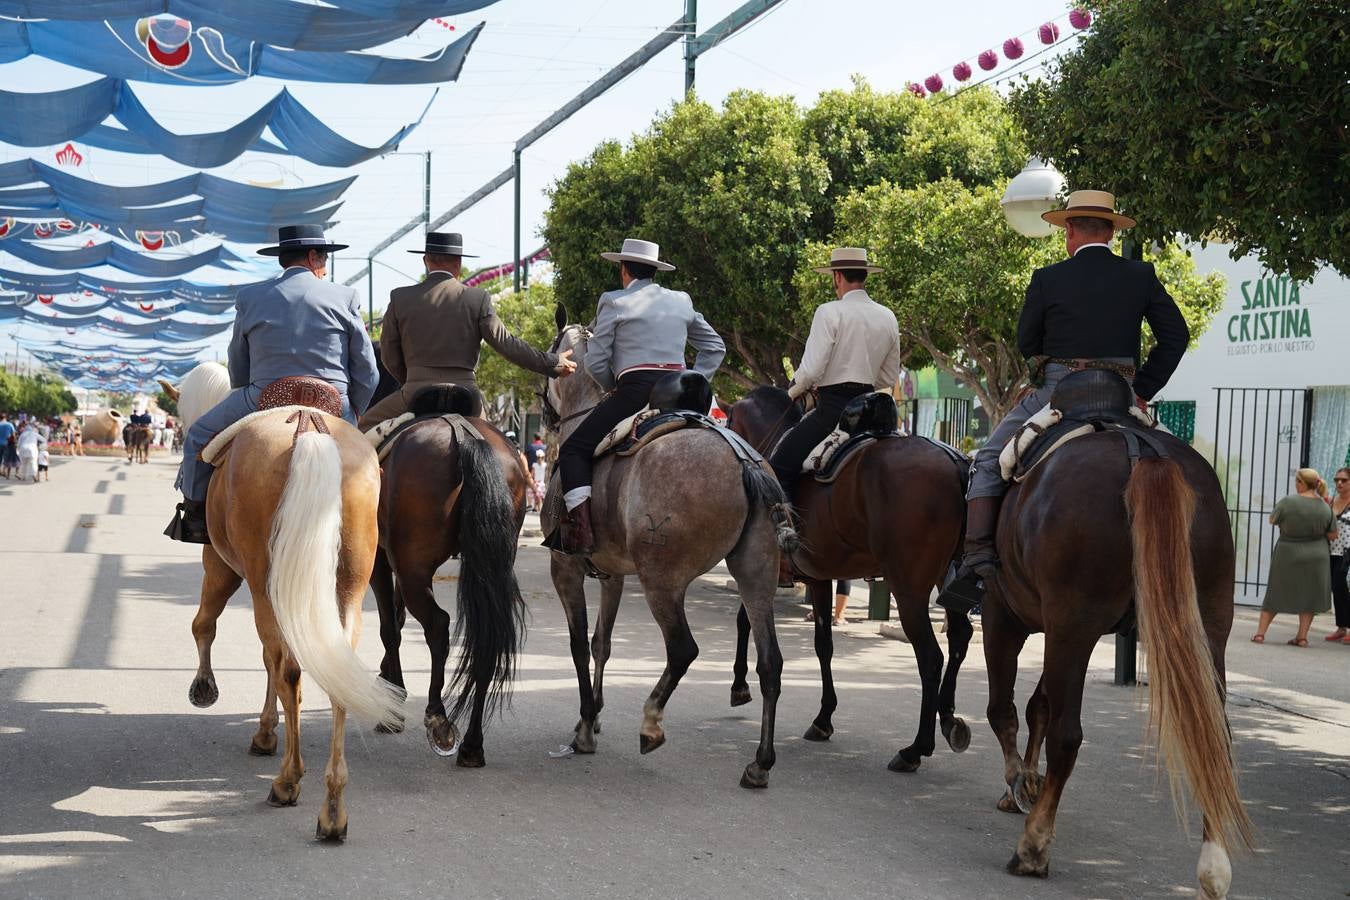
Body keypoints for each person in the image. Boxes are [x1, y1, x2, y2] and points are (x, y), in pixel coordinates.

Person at [937, 190, 1190, 614]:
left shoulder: (1047, 278)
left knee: (988, 459)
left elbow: (1027, 341)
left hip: (1058, 392)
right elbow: (1175, 336)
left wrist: (1041, 373)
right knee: (1178, 463)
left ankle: (978, 556)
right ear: (1110, 230)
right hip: (1121, 391)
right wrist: (1142, 388)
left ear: (1069, 231)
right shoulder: (1141, 275)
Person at [166, 224, 378, 544]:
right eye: (323, 259)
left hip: (264, 397)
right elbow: (367, 370)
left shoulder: (250, 296)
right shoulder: (345, 296)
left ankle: (195, 518)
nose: (324, 267)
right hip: (333, 402)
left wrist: (249, 386)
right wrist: (353, 410)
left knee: (196, 436)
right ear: (312, 256)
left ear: (283, 258)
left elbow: (238, 364)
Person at [556, 238, 726, 554]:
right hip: (680, 394)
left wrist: (612, 388)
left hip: (635, 393)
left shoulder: (613, 301)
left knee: (573, 450)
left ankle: (581, 533)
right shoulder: (681, 301)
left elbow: (594, 360)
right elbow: (715, 347)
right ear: (654, 270)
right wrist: (694, 379)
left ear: (624, 270)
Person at [357, 232, 576, 430]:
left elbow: (388, 354)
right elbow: (507, 343)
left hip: (415, 391)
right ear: (459, 264)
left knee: (363, 426)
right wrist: (552, 363)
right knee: (498, 449)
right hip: (467, 395)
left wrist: (410, 381)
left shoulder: (400, 298)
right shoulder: (477, 298)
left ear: (426, 261)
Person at [769, 247, 901, 503]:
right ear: (864, 276)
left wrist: (793, 392)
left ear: (837, 276)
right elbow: (888, 376)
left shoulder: (828, 311)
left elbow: (811, 370)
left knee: (778, 467)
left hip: (833, 411)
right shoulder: (888, 316)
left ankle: (784, 531)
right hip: (873, 413)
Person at [1252, 468, 1337, 647]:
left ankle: (1260, 634)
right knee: (1309, 596)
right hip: (1317, 554)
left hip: (1288, 551)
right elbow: (1332, 534)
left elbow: (1272, 520)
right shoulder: (1324, 506)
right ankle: (1302, 637)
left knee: (1276, 592)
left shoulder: (1288, 502)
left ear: (1300, 483)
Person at [1324, 467, 1350, 643]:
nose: (1339, 483)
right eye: (1336, 480)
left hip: (1348, 551)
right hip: (1332, 550)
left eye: (1343, 480)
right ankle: (1341, 627)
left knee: (1342, 585)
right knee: (1336, 587)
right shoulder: (1332, 501)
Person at [530, 448, 548, 513]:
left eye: (540, 457)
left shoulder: (545, 465)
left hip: (541, 483)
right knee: (538, 495)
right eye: (538, 457)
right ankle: (538, 508)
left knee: (539, 496)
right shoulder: (535, 465)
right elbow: (532, 474)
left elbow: (546, 474)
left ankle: (538, 508)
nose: (539, 459)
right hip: (537, 482)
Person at [0, 412, 15, 478]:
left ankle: (0, 470)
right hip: (7, 443)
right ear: (5, 418)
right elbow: (13, 435)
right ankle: (4, 471)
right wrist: (14, 442)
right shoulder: (10, 424)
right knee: (6, 458)